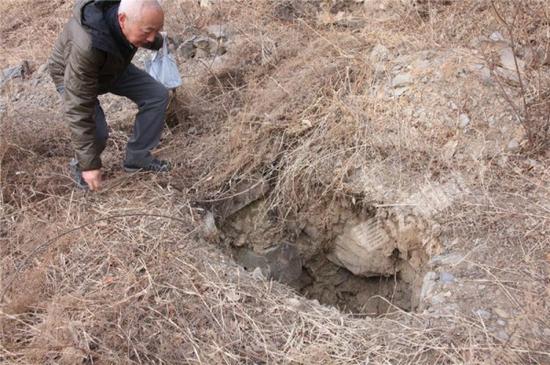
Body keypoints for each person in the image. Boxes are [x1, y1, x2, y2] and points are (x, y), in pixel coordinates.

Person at [48, 0, 171, 191]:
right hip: (71, 74)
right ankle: (82, 170)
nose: (150, 38)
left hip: (112, 65)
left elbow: (144, 32)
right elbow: (77, 105)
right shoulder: (87, 45)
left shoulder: (127, 20)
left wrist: (159, 42)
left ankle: (137, 158)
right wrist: (90, 165)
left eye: (156, 31)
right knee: (97, 132)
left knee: (156, 95)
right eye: (148, 31)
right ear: (122, 20)